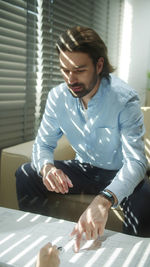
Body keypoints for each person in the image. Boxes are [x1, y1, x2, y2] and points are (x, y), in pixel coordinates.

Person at [15, 26, 150, 253]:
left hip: (118, 172)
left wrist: (104, 199)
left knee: (146, 195)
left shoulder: (124, 100)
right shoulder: (57, 97)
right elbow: (43, 144)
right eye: (64, 70)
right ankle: (42, 244)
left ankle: (130, 256)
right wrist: (46, 167)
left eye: (79, 70)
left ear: (99, 65)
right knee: (26, 173)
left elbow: (136, 162)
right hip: (83, 168)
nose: (70, 79)